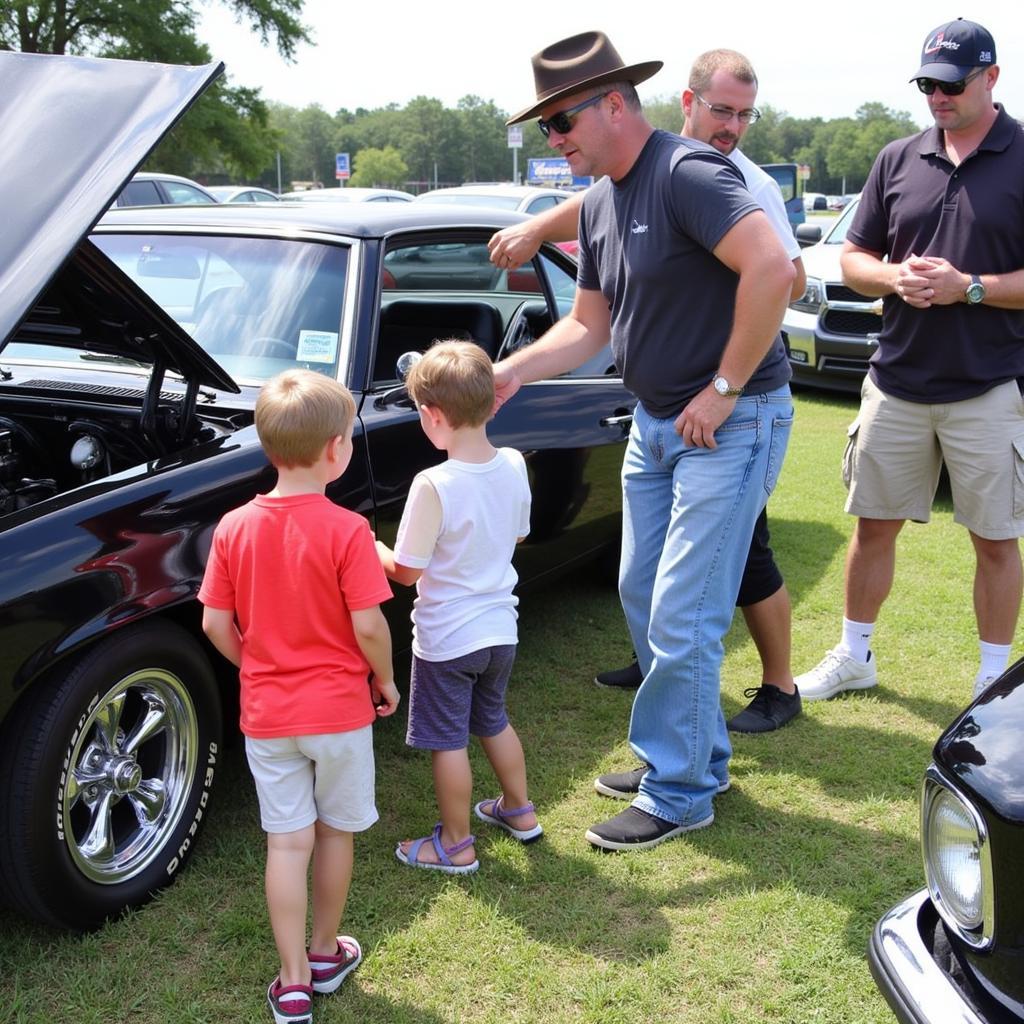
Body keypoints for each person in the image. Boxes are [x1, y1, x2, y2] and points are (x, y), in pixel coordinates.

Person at [495, 31, 795, 851]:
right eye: (546, 128)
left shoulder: (686, 172)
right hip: (656, 424)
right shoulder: (597, 202)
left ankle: (681, 791)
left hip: (731, 423)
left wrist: (724, 388)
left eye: (562, 122)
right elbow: (587, 326)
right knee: (640, 595)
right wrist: (508, 375)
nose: (554, 141)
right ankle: (693, 755)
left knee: (684, 614)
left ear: (614, 104)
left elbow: (775, 271)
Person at [795, 18, 1024, 704]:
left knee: (995, 538)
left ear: (991, 78)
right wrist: (894, 278)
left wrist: (971, 288)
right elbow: (856, 256)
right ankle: (855, 656)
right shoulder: (897, 158)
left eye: (951, 84)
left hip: (988, 385)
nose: (937, 96)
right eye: (927, 84)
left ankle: (993, 682)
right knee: (873, 529)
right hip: (895, 379)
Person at [199, 369, 399, 1024]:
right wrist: (387, 680)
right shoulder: (347, 530)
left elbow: (214, 623)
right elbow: (370, 623)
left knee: (287, 843)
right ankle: (322, 951)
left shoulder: (233, 527)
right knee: (335, 832)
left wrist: (252, 662)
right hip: (340, 713)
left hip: (267, 715)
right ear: (338, 450)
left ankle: (290, 984)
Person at [376, 341, 540, 874]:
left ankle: (455, 843)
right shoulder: (514, 463)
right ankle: (518, 809)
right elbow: (517, 536)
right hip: (500, 632)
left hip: (448, 640)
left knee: (446, 740)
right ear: (493, 404)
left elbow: (406, 570)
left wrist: (371, 548)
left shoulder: (434, 483)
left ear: (432, 416)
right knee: (492, 719)